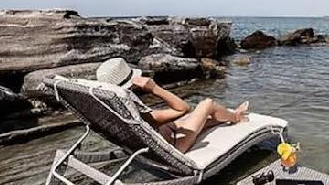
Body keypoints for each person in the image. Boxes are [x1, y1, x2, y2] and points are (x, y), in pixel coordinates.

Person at [96, 58, 249, 153]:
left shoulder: (113, 107)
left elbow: (160, 118)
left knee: (192, 118)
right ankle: (236, 117)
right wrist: (154, 88)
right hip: (174, 146)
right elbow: (183, 108)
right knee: (207, 104)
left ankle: (224, 118)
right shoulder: (140, 113)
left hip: (156, 139)